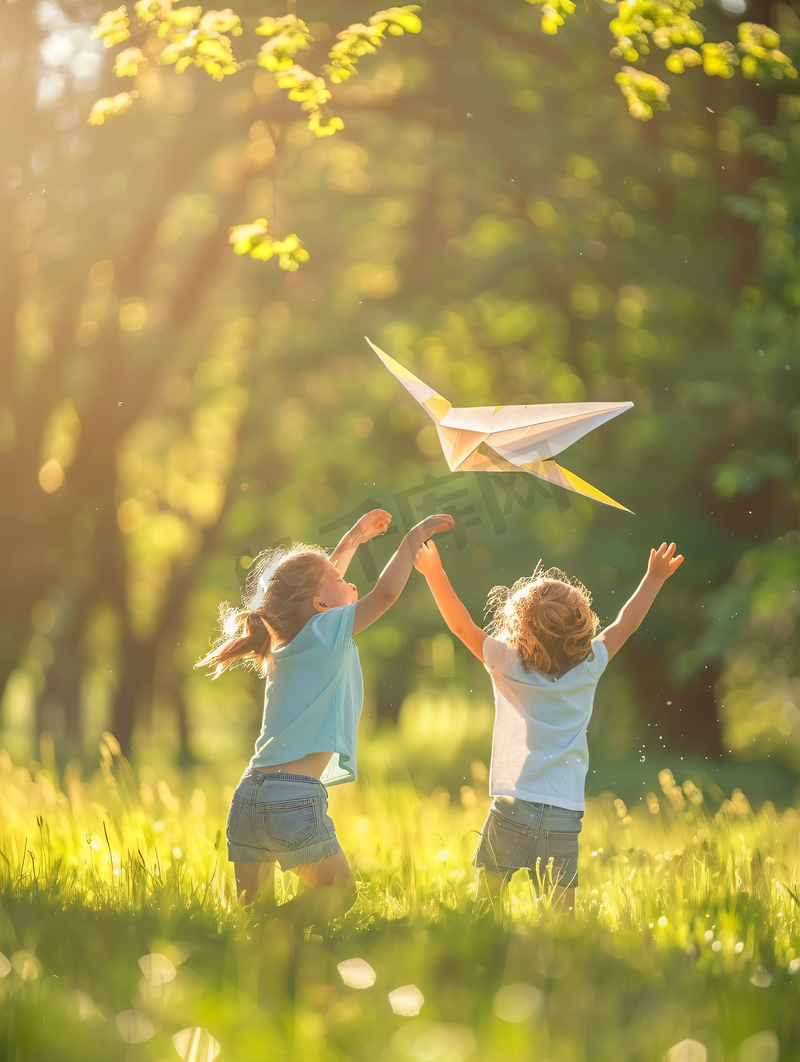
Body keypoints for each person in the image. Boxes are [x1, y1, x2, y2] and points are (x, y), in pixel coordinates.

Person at [197, 508, 454, 910]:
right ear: (320, 603)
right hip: (291, 801)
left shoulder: (284, 642)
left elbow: (313, 588)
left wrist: (352, 540)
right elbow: (385, 594)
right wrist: (410, 541)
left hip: (248, 797)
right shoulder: (325, 631)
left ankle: (261, 943)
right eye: (338, 580)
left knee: (249, 920)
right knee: (339, 894)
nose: (346, 578)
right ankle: (275, 934)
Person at [414, 539, 684, 914]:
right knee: (560, 916)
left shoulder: (506, 662)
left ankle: (481, 957)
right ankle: (558, 967)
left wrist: (435, 573)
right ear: (582, 626)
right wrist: (654, 578)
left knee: (485, 907)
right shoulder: (591, 665)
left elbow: (461, 626)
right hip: (564, 811)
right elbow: (627, 624)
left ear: (520, 627)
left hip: (513, 805)